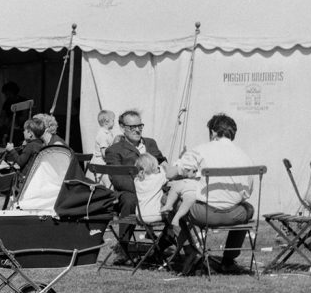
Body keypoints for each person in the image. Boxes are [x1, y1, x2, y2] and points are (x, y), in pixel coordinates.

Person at [167, 113, 255, 274]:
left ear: (213, 132)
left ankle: (190, 250)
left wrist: (182, 169)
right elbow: (247, 192)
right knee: (248, 208)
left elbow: (170, 174)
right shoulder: (245, 156)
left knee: (169, 200)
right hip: (234, 215)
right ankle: (229, 260)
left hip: (204, 213)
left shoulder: (200, 150)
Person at [104, 110, 166, 258]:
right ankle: (124, 249)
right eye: (132, 127)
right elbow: (118, 180)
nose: (137, 130)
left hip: (157, 190)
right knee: (129, 199)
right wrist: (145, 189)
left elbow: (163, 162)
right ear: (122, 127)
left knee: (177, 197)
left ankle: (164, 244)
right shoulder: (114, 150)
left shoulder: (151, 143)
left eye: (140, 126)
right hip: (130, 192)